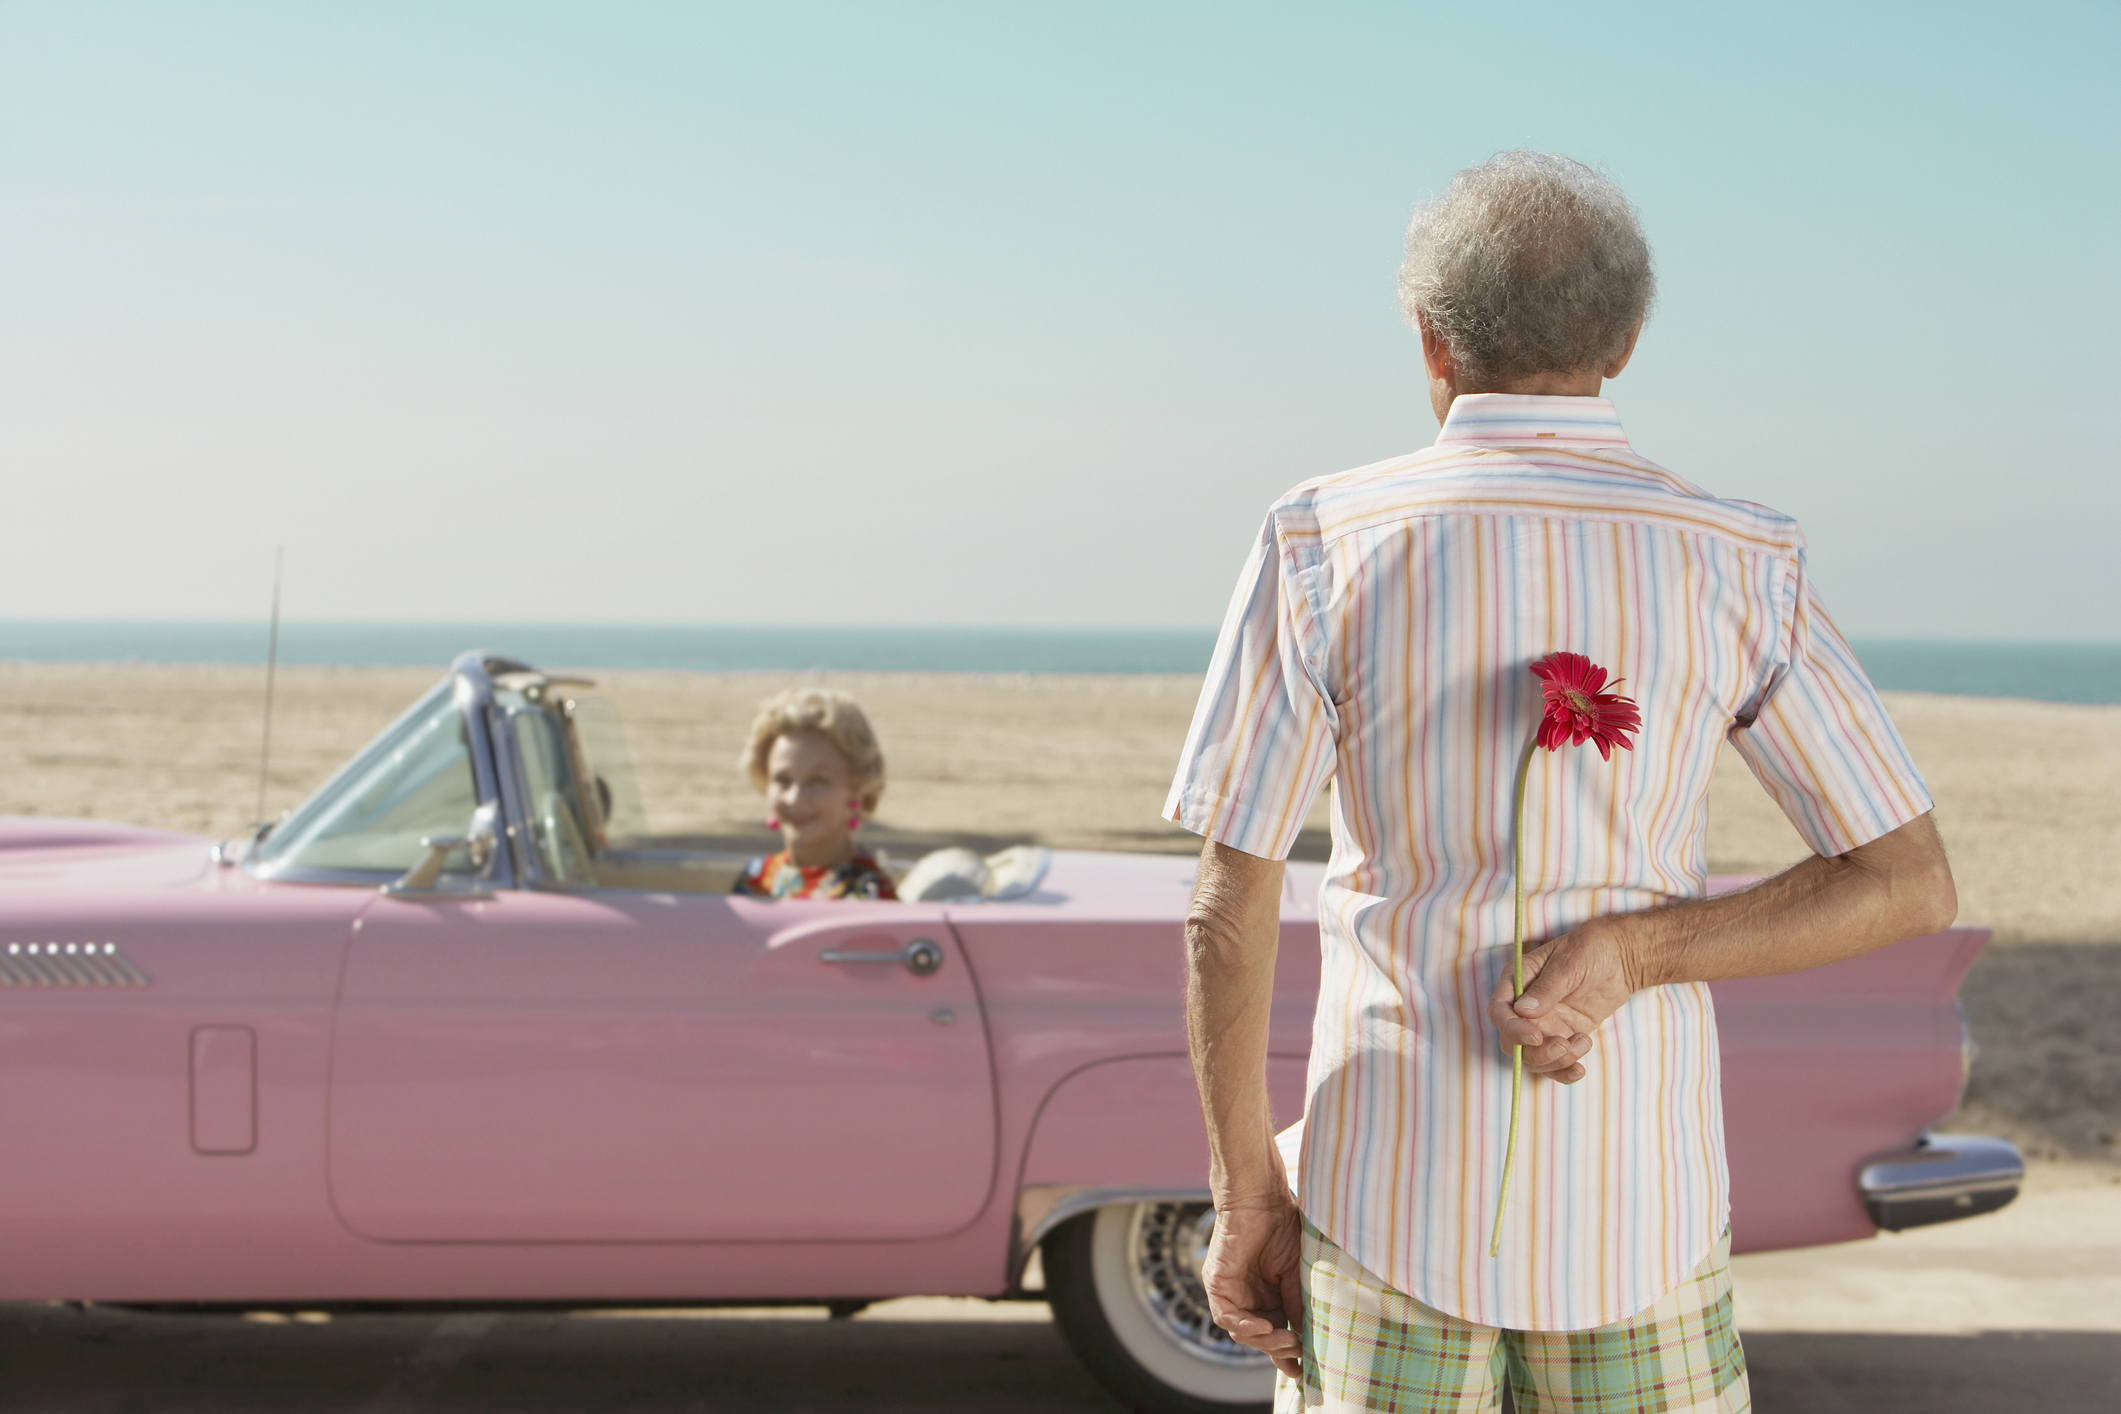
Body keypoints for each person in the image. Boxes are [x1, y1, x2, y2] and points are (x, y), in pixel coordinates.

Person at [1166, 152, 1955, 1413]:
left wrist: (1247, 1191)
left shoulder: (1323, 541)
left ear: (1429, 339)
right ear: (1627, 341)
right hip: (1645, 1212)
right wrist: (1639, 951)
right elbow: (1908, 883)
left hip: (1382, 1200)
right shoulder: (1742, 558)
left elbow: (1226, 899)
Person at [732, 688, 897, 901]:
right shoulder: (755, 879)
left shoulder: (870, 894)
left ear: (857, 786)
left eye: (817, 781)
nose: (795, 798)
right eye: (783, 780)